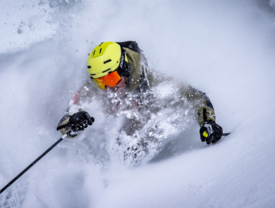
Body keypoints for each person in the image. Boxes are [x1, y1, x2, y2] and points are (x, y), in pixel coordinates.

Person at [56, 41, 224, 162]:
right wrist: (73, 122)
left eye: (111, 78)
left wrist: (208, 122)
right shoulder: (93, 88)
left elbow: (195, 96)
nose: (108, 87)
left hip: (142, 140)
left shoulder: (150, 80)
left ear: (123, 68)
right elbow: (65, 124)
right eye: (100, 82)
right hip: (114, 151)